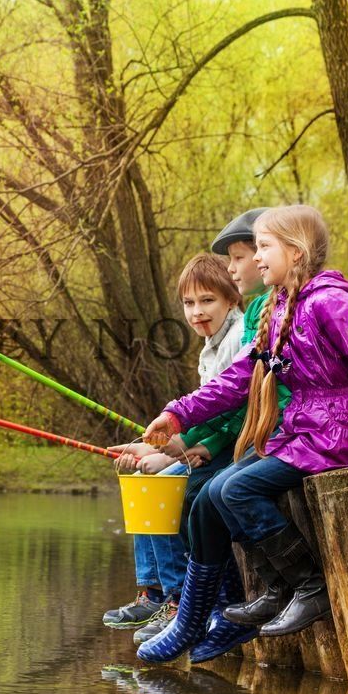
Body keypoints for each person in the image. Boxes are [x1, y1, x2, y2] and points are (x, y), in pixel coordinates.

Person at [135, 204, 348, 663]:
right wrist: (177, 415)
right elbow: (241, 378)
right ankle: (251, 597)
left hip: (335, 432)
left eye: (263, 247)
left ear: (294, 253)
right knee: (214, 491)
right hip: (303, 428)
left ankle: (307, 585)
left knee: (235, 488)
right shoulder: (280, 309)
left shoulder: (330, 301)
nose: (256, 258)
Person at [103, 254, 244, 644]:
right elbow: (207, 409)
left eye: (207, 301)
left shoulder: (237, 339)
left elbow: (236, 409)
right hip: (208, 443)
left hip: (233, 449)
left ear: (232, 298)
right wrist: (152, 446)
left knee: (163, 485)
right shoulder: (208, 347)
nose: (197, 312)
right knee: (139, 479)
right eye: (188, 303)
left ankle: (178, 596)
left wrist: (181, 450)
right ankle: (152, 591)